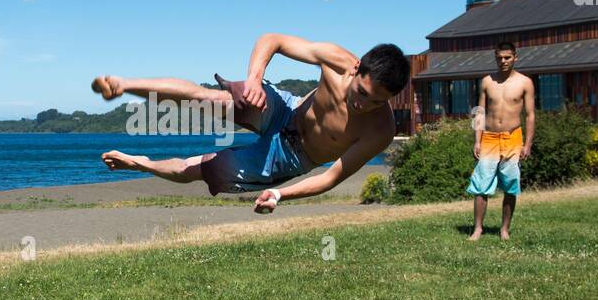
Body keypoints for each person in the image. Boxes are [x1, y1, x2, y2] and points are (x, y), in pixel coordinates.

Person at [91, 34, 409, 213]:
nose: (363, 105)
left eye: (377, 102)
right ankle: (123, 84)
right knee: (207, 100)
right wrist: (255, 81)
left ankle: (141, 164)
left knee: (197, 168)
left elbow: (331, 177)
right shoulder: (335, 60)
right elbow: (273, 40)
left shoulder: (380, 130)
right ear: (355, 70)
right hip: (286, 109)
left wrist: (281, 196)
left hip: (291, 157)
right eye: (363, 93)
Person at [467, 41, 535, 240]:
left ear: (515, 57)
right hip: (489, 137)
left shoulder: (525, 82)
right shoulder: (487, 81)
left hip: (513, 137)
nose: (503, 61)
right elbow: (479, 111)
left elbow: (530, 115)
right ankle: (478, 228)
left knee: (510, 185)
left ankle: (504, 229)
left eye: (507, 57)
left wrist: (527, 144)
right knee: (481, 184)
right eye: (499, 58)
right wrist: (477, 140)